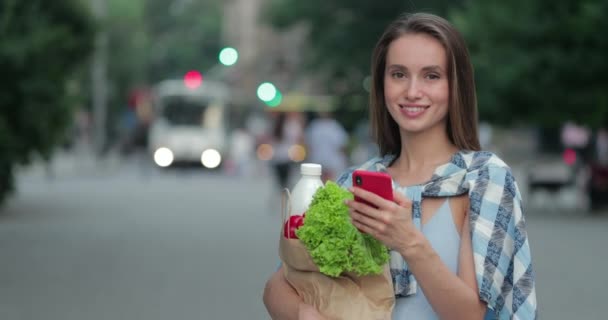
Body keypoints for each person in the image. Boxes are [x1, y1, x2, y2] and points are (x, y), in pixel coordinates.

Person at [263, 12, 537, 320]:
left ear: (455, 86)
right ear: (382, 85)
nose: (412, 91)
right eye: (398, 74)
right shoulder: (355, 182)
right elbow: (278, 285)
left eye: (431, 75)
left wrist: (408, 241)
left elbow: (471, 314)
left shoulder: (484, 177)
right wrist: (304, 314)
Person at [304, 111, 349, 182]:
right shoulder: (335, 126)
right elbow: (342, 146)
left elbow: (308, 145)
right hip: (331, 161)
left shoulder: (314, 126)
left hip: (320, 161)